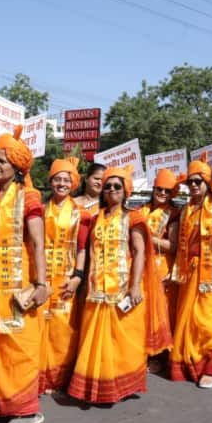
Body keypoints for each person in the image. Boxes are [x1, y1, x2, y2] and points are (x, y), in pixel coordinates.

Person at [0, 126, 48, 423]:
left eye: (2, 161)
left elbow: (37, 243)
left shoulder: (28, 197)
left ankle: (26, 409)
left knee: (18, 343)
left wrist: (42, 283)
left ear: (18, 166)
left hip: (16, 279)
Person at [68, 165, 152, 404]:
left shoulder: (133, 217)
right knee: (93, 341)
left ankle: (118, 386)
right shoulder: (95, 219)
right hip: (96, 291)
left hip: (122, 290)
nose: (112, 190)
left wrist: (135, 286)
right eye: (108, 186)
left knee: (121, 342)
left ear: (126, 191)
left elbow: (139, 252)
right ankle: (95, 387)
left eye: (117, 186)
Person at [169, 154, 212, 389]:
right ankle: (192, 364)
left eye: (198, 181)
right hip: (189, 271)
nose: (193, 186)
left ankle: (210, 368)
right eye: (190, 182)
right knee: (189, 321)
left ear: (208, 183)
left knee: (209, 321)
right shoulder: (186, 209)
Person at [39, 157, 91, 394]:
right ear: (50, 181)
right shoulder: (39, 209)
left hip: (66, 278)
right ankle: (39, 377)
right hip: (41, 277)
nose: (61, 184)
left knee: (61, 329)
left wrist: (77, 277)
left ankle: (58, 379)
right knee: (40, 326)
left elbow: (82, 248)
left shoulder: (80, 214)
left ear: (73, 184)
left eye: (66, 180)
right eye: (57, 179)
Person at [138, 168, 178, 369]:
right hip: (141, 266)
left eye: (167, 191)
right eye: (159, 189)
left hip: (162, 268)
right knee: (143, 310)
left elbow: (173, 245)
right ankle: (142, 352)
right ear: (153, 189)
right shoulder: (141, 210)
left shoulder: (173, 214)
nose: (162, 193)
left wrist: (148, 239)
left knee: (161, 312)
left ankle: (159, 356)